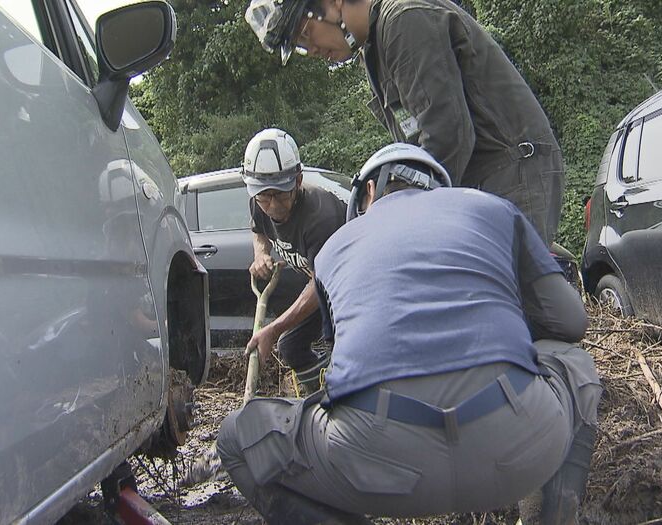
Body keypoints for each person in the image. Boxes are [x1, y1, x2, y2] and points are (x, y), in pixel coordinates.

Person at [217, 143, 601, 525]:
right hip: (517, 449)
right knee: (575, 361)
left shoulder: (335, 247)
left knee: (236, 438)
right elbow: (572, 323)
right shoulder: (493, 209)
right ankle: (548, 515)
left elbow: (341, 368)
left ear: (368, 191)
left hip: (377, 468)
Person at [245, 0, 565, 245]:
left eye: (305, 32)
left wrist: (398, 208)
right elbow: (416, 147)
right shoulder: (375, 49)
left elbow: (447, 135)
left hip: (511, 171)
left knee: (510, 306)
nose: (311, 49)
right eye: (300, 47)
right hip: (477, 179)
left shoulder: (403, 20)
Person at [242, 128, 347, 395]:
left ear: (298, 180)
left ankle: (341, 398)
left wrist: (273, 329)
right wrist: (261, 255)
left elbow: (319, 285)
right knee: (290, 347)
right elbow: (259, 231)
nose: (273, 206)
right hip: (322, 284)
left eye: (281, 194)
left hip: (349, 285)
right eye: (265, 197)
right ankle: (317, 396)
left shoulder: (320, 217)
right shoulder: (259, 201)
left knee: (340, 348)